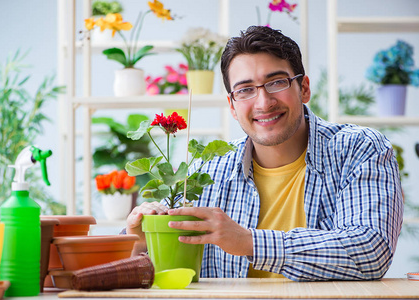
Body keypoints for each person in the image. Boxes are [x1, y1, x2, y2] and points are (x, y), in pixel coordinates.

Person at [126, 26, 403, 281]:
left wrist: (248, 242)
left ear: (303, 88)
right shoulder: (207, 168)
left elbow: (370, 251)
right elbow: (172, 274)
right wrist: (141, 242)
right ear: (232, 106)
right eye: (245, 90)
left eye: (277, 82)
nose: (264, 102)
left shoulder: (359, 149)